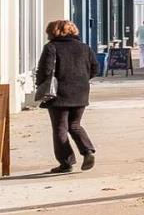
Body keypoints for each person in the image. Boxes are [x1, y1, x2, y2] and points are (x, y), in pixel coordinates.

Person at [34, 20, 99, 173]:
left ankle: (66, 162)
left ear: (53, 32)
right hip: (80, 92)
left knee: (60, 128)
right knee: (75, 125)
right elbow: (95, 68)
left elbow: (45, 70)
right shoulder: (85, 48)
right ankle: (87, 151)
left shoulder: (51, 47)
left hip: (58, 94)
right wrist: (81, 79)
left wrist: (40, 85)